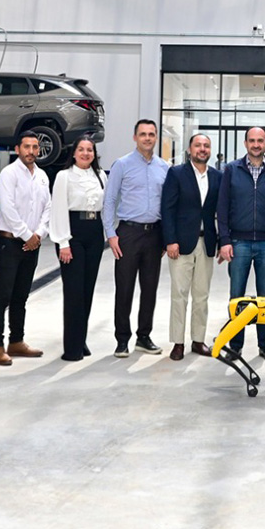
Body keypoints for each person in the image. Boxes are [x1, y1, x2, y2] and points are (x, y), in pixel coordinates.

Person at [216, 127, 265, 361]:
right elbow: (222, 208)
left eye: (260, 140)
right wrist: (224, 241)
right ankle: (235, 345)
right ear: (245, 143)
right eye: (252, 140)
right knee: (236, 296)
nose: (256, 144)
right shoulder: (232, 170)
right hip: (238, 242)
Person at [103, 119, 170, 358]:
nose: (147, 138)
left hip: (154, 234)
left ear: (156, 137)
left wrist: (166, 237)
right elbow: (109, 200)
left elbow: (168, 204)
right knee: (125, 288)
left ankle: (144, 337)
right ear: (135, 137)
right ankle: (122, 340)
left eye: (151, 134)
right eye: (143, 134)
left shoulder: (164, 167)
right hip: (128, 234)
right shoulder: (122, 164)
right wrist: (111, 234)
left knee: (150, 289)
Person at [0, 129, 51, 366]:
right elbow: (7, 208)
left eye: (35, 147)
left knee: (21, 296)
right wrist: (27, 235)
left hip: (32, 245)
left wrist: (39, 234)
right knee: (2, 296)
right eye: (27, 147)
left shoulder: (42, 176)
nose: (31, 151)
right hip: (9, 243)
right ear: (17, 149)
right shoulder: (8, 174)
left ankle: (16, 341)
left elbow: (48, 208)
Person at [161, 133, 221, 360]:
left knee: (202, 295)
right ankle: (178, 342)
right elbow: (167, 209)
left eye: (206, 146)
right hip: (181, 244)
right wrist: (170, 240)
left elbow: (221, 211)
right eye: (198, 145)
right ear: (189, 149)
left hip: (207, 243)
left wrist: (222, 242)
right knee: (179, 295)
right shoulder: (176, 174)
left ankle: (198, 340)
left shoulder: (217, 176)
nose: (202, 149)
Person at [51, 136, 107, 362]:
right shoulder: (64, 176)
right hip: (72, 234)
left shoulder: (100, 175)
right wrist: (63, 242)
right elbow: (58, 209)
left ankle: (80, 338)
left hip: (95, 233)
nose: (85, 153)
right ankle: (72, 348)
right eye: (81, 149)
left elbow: (106, 206)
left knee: (87, 289)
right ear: (73, 153)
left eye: (89, 150)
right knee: (74, 292)